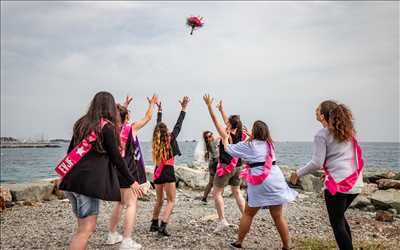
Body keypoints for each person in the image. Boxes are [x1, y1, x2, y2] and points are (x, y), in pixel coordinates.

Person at [59, 91, 144, 250]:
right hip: (87, 185)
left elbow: (71, 152)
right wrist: (132, 181)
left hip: (71, 181)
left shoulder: (81, 123)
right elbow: (116, 158)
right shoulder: (107, 128)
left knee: (82, 228)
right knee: (86, 230)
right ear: (110, 107)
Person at [290, 100, 364, 250]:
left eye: (317, 109)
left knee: (337, 223)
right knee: (340, 219)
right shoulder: (348, 131)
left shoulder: (322, 134)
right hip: (356, 182)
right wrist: (328, 172)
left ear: (323, 116)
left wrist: (297, 173)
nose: (315, 111)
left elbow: (317, 163)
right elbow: (344, 157)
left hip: (338, 185)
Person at [224, 120, 297, 250]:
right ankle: (287, 246)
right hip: (275, 179)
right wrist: (248, 137)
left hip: (259, 181)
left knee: (248, 214)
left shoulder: (249, 145)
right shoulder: (270, 144)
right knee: (278, 216)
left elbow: (228, 149)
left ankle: (239, 242)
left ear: (254, 132)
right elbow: (257, 146)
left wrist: (225, 137)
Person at [106, 95, 158, 250]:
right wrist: (152, 104)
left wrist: (124, 105)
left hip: (115, 170)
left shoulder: (111, 130)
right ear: (126, 116)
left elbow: (119, 114)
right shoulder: (131, 128)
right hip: (129, 171)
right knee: (131, 204)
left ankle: (112, 234)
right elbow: (148, 117)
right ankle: (126, 240)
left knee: (120, 202)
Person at [203, 95, 246, 233]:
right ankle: (247, 218)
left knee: (217, 193)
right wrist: (222, 110)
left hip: (226, 167)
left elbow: (215, 120)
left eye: (227, 122)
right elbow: (229, 121)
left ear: (230, 125)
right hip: (238, 166)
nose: (225, 122)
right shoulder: (241, 133)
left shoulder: (226, 135)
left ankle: (222, 221)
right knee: (237, 192)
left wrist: (209, 106)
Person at [150, 96, 190, 236]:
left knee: (159, 200)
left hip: (157, 171)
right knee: (171, 201)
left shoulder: (157, 141)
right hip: (167, 171)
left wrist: (160, 111)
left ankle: (154, 223)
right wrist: (183, 108)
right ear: (166, 131)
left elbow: (158, 124)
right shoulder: (170, 138)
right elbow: (179, 124)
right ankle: (163, 226)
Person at [200, 131, 219, 203]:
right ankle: (218, 198)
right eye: (209, 136)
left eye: (211, 135)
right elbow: (221, 137)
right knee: (218, 183)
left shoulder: (207, 144)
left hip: (211, 163)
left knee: (210, 183)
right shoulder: (212, 142)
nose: (211, 137)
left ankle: (204, 198)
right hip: (215, 163)